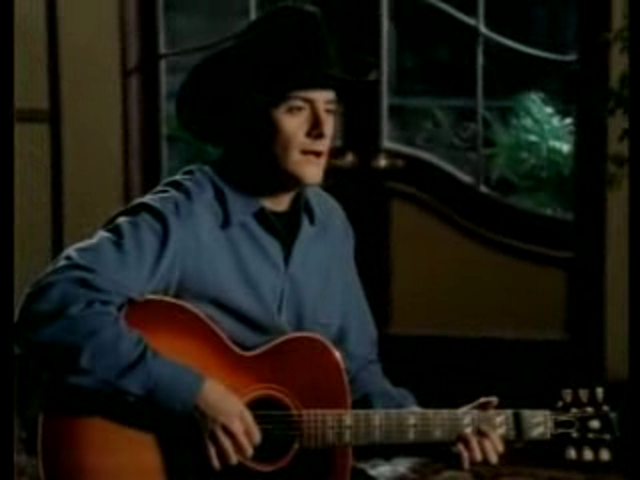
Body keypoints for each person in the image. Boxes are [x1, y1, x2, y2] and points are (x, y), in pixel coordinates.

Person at [14, 4, 504, 475]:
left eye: (329, 109)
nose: (322, 130)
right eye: (297, 109)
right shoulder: (183, 215)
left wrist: (434, 427)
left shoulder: (331, 224)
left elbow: (356, 374)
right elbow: (55, 304)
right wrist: (194, 393)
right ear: (250, 114)